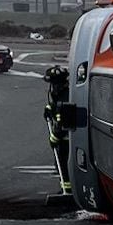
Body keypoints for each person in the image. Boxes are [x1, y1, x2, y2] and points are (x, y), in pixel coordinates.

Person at [42, 65, 72, 196]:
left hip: (68, 139)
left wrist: (54, 138)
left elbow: (63, 123)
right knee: (61, 164)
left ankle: (68, 190)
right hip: (64, 137)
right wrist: (49, 109)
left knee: (64, 165)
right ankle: (65, 188)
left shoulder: (66, 97)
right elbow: (55, 106)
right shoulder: (60, 94)